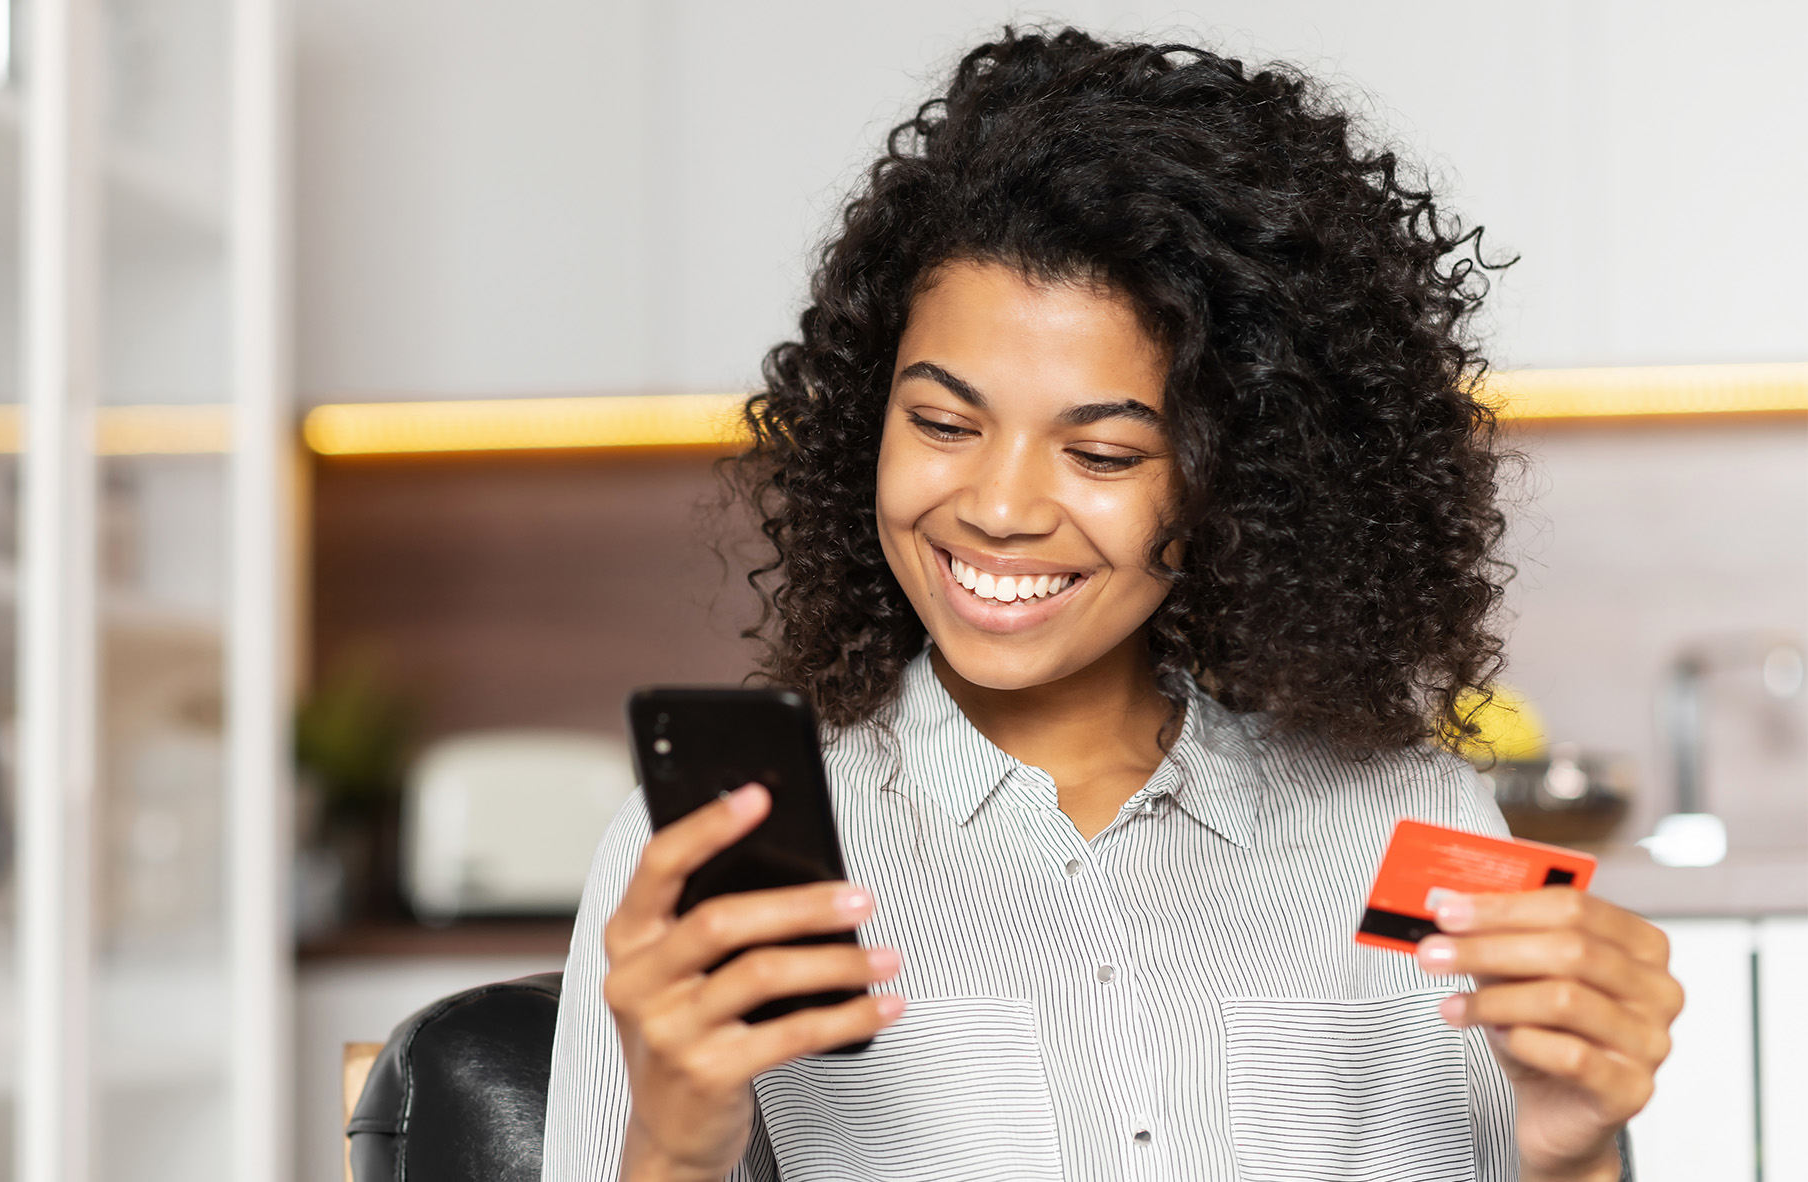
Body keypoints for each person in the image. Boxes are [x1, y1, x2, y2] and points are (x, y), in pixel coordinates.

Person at [543, 28, 1681, 1182]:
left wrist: (1574, 1156)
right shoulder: (705, 857)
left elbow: (1551, 1139)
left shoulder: (1421, 832)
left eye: (1099, 452)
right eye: (942, 425)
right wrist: (674, 1148)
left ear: (1232, 478)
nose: (997, 507)